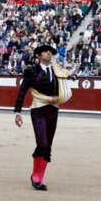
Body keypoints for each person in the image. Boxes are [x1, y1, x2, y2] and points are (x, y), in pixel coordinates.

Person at [14, 44, 72, 191]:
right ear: (39, 56)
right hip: (38, 109)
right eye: (45, 52)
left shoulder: (57, 70)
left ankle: (40, 177)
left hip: (53, 110)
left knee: (48, 146)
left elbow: (65, 82)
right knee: (43, 143)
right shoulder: (31, 71)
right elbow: (22, 91)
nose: (49, 53)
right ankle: (35, 175)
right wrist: (18, 113)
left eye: (50, 52)